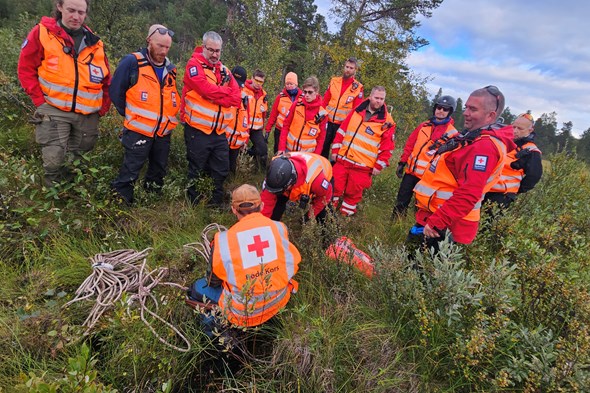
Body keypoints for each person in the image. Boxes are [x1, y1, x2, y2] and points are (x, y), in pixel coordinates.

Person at [409, 86, 517, 248]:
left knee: (420, 270)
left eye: (473, 109)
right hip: (436, 218)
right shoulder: (473, 138)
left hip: (445, 227)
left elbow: (469, 193)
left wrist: (438, 222)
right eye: (466, 107)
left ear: (490, 115)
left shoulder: (484, 147)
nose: (465, 112)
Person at [17, 0, 111, 187]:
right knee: (54, 159)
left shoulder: (95, 42)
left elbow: (106, 79)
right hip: (54, 108)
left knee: (79, 160)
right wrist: (39, 100)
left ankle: (74, 199)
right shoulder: (42, 33)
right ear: (59, 7)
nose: (76, 16)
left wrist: (103, 107)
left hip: (87, 113)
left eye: (81, 12)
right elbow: (25, 68)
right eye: (71, 10)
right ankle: (53, 205)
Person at [188, 184, 301, 333]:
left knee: (196, 290)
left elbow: (213, 281)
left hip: (244, 312)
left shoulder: (223, 240)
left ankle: (216, 340)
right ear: (261, 206)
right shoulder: (279, 228)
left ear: (234, 209)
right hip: (279, 300)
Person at [109, 25, 178, 204]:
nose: (163, 51)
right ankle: (121, 205)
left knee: (158, 171)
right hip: (138, 131)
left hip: (162, 133)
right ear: (149, 41)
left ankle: (151, 204)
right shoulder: (132, 62)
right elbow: (116, 92)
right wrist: (130, 114)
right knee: (131, 170)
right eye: (159, 46)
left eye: (167, 47)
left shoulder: (171, 69)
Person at [182, 31, 241, 206]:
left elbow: (236, 97)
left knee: (221, 169)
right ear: (203, 48)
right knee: (196, 168)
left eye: (218, 51)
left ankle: (214, 203)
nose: (215, 54)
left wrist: (216, 95)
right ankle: (193, 204)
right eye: (211, 50)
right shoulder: (194, 65)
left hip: (219, 131)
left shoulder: (224, 70)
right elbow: (205, 89)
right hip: (198, 130)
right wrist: (224, 93)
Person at [330, 86, 396, 216]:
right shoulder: (356, 111)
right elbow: (341, 131)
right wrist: (335, 150)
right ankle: (327, 215)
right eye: (376, 98)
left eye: (381, 99)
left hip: (362, 167)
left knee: (352, 196)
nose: (378, 101)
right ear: (370, 96)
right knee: (333, 188)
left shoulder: (387, 122)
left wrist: (379, 165)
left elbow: (387, 148)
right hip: (343, 160)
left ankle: (345, 219)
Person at [393, 95, 459, 217]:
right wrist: (402, 163)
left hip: (427, 178)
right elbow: (410, 144)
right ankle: (395, 225)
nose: (441, 111)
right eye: (439, 107)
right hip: (410, 173)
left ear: (450, 112)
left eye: (445, 109)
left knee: (421, 206)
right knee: (401, 201)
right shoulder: (423, 126)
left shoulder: (452, 134)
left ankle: (415, 230)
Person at [484, 113, 543, 208]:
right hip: (483, 190)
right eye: (513, 127)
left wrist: (516, 190)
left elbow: (533, 176)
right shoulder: (502, 141)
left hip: (502, 196)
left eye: (520, 129)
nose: (515, 131)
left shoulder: (531, 151)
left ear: (530, 130)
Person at [261, 152, 333, 222]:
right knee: (277, 204)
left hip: (323, 175)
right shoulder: (275, 171)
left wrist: (309, 215)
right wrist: (263, 223)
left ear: (291, 183)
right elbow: (266, 202)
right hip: (293, 177)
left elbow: (324, 197)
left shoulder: (317, 181)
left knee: (324, 215)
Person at [321, 58, 364, 159]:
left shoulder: (358, 88)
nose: (348, 70)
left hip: (342, 125)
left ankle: (333, 172)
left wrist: (349, 125)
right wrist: (322, 115)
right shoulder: (334, 81)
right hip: (328, 121)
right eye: (347, 67)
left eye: (351, 68)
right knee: (323, 147)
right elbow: (325, 101)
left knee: (338, 152)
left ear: (355, 70)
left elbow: (357, 110)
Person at [277, 76, 327, 155]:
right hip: (289, 151)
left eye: (310, 92)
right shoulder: (296, 105)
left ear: (316, 92)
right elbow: (285, 126)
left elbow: (321, 138)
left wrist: (316, 155)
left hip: (307, 155)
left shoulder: (322, 114)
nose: (307, 95)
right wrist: (281, 148)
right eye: (305, 92)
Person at [265, 72, 302, 154]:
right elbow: (273, 114)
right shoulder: (280, 97)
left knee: (290, 153)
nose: (289, 86)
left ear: (296, 84)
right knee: (278, 151)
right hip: (280, 129)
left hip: (293, 132)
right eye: (287, 84)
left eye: (291, 83)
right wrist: (268, 129)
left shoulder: (302, 98)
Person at [225, 66, 250, 174]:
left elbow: (246, 120)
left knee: (232, 168)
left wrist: (245, 141)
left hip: (236, 143)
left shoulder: (244, 98)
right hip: (223, 141)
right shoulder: (223, 92)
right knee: (220, 167)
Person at [243, 70, 269, 170]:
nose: (258, 84)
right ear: (252, 78)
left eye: (261, 82)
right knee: (238, 149)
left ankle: (261, 172)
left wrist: (263, 128)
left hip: (256, 129)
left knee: (263, 150)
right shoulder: (243, 90)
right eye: (257, 80)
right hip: (243, 126)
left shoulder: (263, 95)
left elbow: (263, 113)